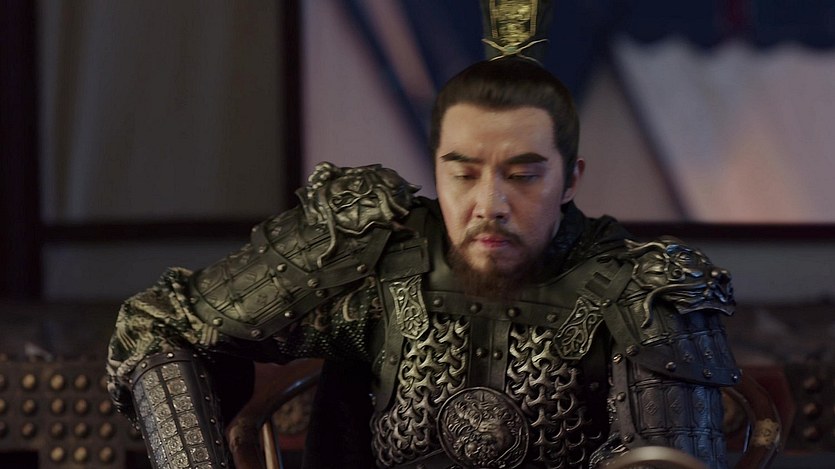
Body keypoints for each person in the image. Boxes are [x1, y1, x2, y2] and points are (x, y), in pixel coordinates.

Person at [106, 8, 739, 469]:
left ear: (571, 178)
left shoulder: (642, 292)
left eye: (523, 175)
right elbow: (159, 324)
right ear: (435, 168)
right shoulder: (369, 253)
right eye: (463, 173)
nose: (489, 205)